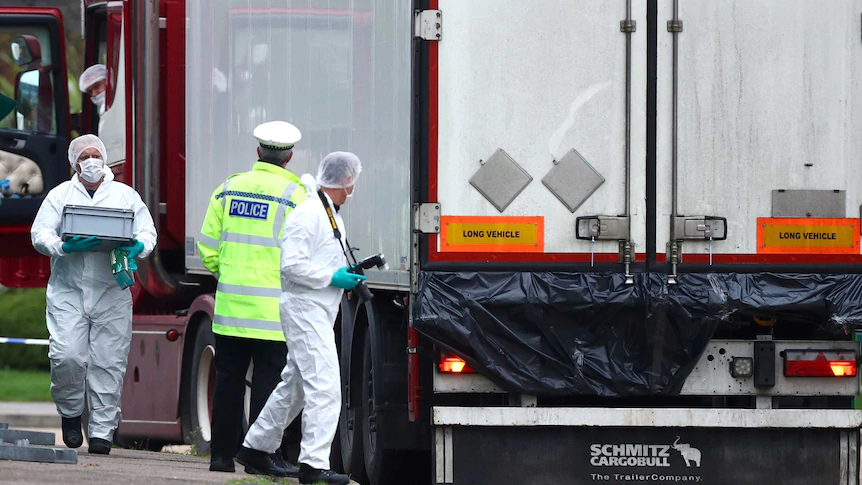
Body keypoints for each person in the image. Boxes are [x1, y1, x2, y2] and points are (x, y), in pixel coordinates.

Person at [236, 152, 365, 485]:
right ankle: (313, 465)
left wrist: (342, 275)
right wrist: (332, 277)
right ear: (346, 181)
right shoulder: (308, 214)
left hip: (317, 310)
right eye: (354, 179)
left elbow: (319, 259)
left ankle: (256, 446)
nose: (354, 186)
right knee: (325, 387)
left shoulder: (328, 213)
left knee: (295, 385)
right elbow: (290, 265)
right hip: (305, 310)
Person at [30, 134, 157, 454]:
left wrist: (138, 247)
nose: (91, 162)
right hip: (68, 292)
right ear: (74, 163)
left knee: (108, 363)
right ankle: (71, 413)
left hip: (111, 291)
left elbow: (147, 232)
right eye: (84, 157)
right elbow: (39, 233)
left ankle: (101, 431)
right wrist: (62, 246)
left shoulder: (125, 195)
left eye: (95, 155)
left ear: (104, 159)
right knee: (66, 357)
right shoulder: (60, 195)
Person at [198, 121, 308, 474]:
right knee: (268, 385)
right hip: (273, 314)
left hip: (230, 309)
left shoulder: (228, 189)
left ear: (258, 152)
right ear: (289, 157)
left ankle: (221, 456)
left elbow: (207, 247)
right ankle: (260, 458)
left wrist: (227, 274)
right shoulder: (296, 197)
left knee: (228, 382)